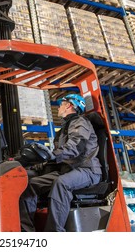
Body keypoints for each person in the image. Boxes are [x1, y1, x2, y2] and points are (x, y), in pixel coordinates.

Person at [19, 93, 102, 232]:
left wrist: (53, 155)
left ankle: (55, 233)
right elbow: (57, 156)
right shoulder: (64, 129)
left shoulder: (80, 122)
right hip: (69, 169)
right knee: (31, 185)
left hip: (87, 170)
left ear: (69, 105)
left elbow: (76, 147)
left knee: (61, 183)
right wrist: (39, 164)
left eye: (61, 104)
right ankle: (27, 232)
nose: (58, 108)